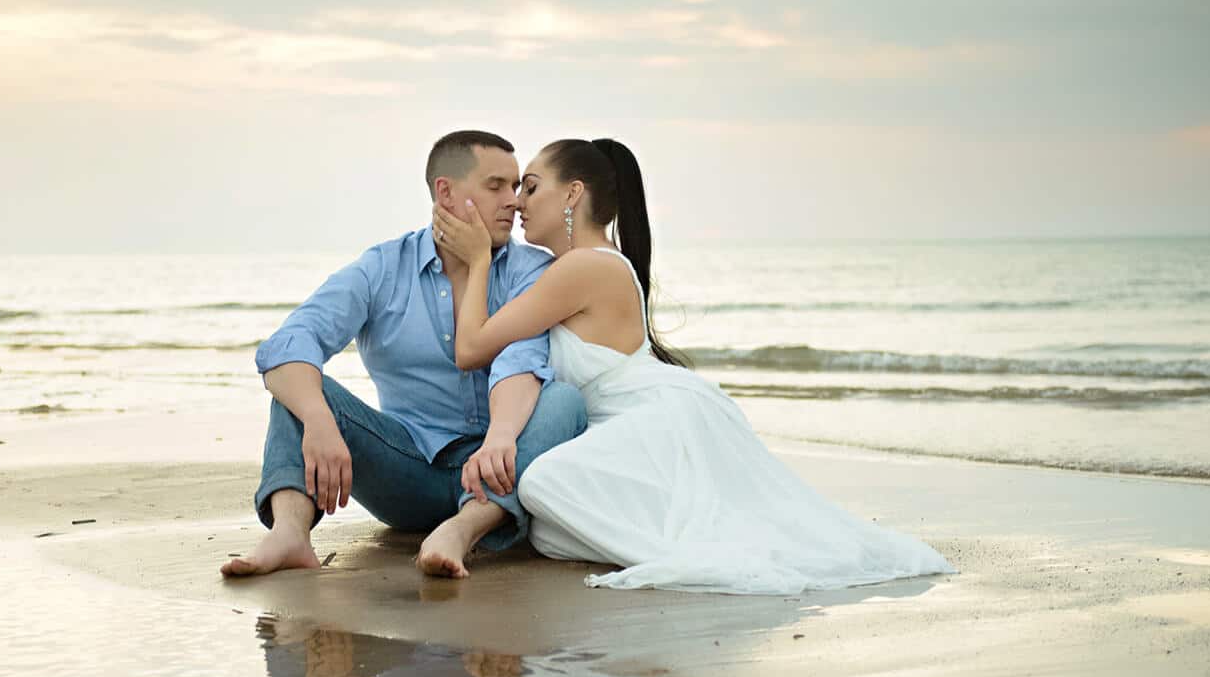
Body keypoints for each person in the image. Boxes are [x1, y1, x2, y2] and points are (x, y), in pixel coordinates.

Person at [431, 138, 955, 594]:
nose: (519, 203)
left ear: (573, 194)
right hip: (634, 418)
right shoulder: (582, 266)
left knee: (544, 489)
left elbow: (471, 346)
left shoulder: (584, 268)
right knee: (546, 522)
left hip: (653, 418)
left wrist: (475, 261)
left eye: (531, 186)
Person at [222, 131, 588, 580]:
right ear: (445, 192)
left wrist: (500, 438)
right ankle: (289, 533)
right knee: (298, 390)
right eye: (496, 186)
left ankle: (463, 530)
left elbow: (521, 359)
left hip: (498, 470)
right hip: (408, 468)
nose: (512, 201)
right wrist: (319, 421)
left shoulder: (531, 270)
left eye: (516, 187)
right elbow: (291, 343)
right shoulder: (382, 268)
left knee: (562, 400)